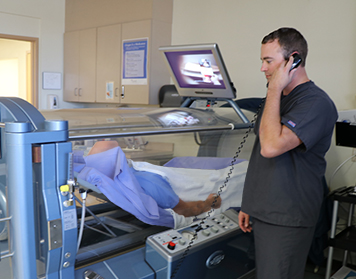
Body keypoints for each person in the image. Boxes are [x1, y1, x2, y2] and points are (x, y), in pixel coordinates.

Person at [238, 27, 337, 279]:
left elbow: (272, 147)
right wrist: (250, 203)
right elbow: (259, 153)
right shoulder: (277, 99)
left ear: (293, 60)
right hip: (264, 209)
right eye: (262, 60)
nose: (263, 68)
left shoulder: (316, 103)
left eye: (268, 61)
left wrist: (273, 89)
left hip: (287, 215)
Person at [87, 140, 221, 217]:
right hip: (211, 186)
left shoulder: (117, 178)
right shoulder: (150, 184)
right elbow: (185, 210)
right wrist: (210, 202)